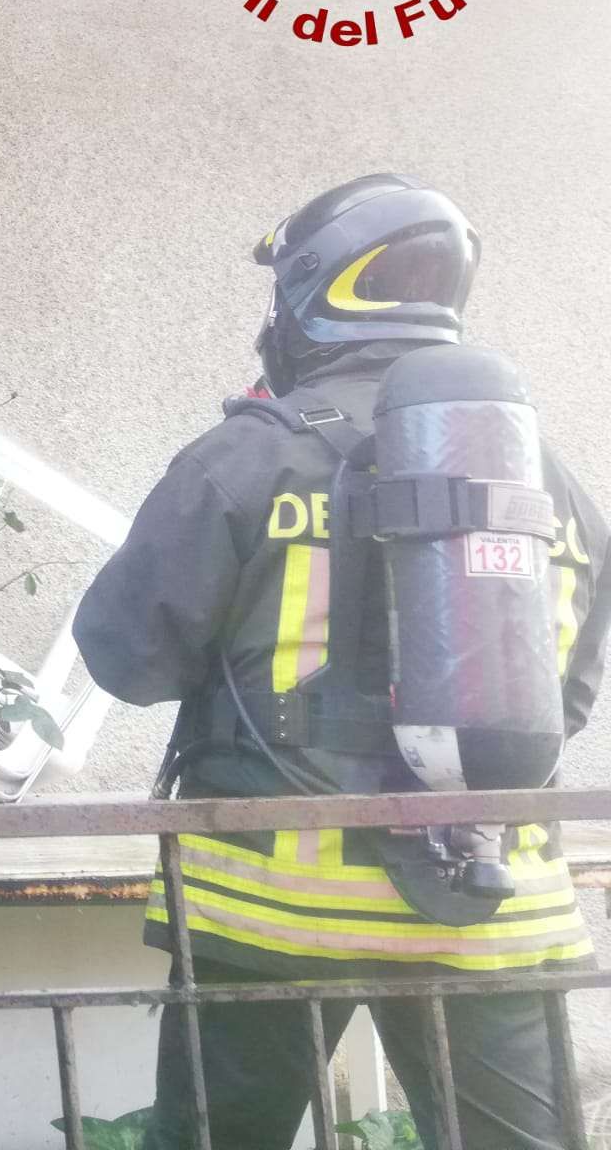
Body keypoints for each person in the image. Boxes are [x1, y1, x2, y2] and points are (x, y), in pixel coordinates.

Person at [72, 174, 609, 1150]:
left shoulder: (245, 459)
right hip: (490, 914)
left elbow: (124, 659)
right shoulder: (542, 482)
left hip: (274, 918)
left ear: (307, 291)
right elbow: (562, 700)